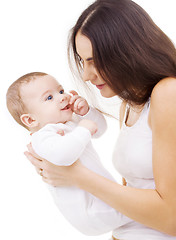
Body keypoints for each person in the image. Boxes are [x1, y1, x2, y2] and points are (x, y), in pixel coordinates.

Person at [24, 0, 176, 239]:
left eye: (94, 61)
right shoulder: (130, 103)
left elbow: (171, 219)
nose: (85, 75)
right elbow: (132, 195)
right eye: (83, 61)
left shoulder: (168, 93)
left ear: (129, 51)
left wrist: (76, 175)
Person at [6, 72, 132, 236]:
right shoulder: (42, 137)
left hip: (104, 199)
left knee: (136, 208)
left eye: (60, 91)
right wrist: (84, 129)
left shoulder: (70, 122)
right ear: (30, 120)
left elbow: (99, 129)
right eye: (49, 98)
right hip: (91, 212)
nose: (62, 97)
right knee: (141, 205)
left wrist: (86, 113)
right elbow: (63, 156)